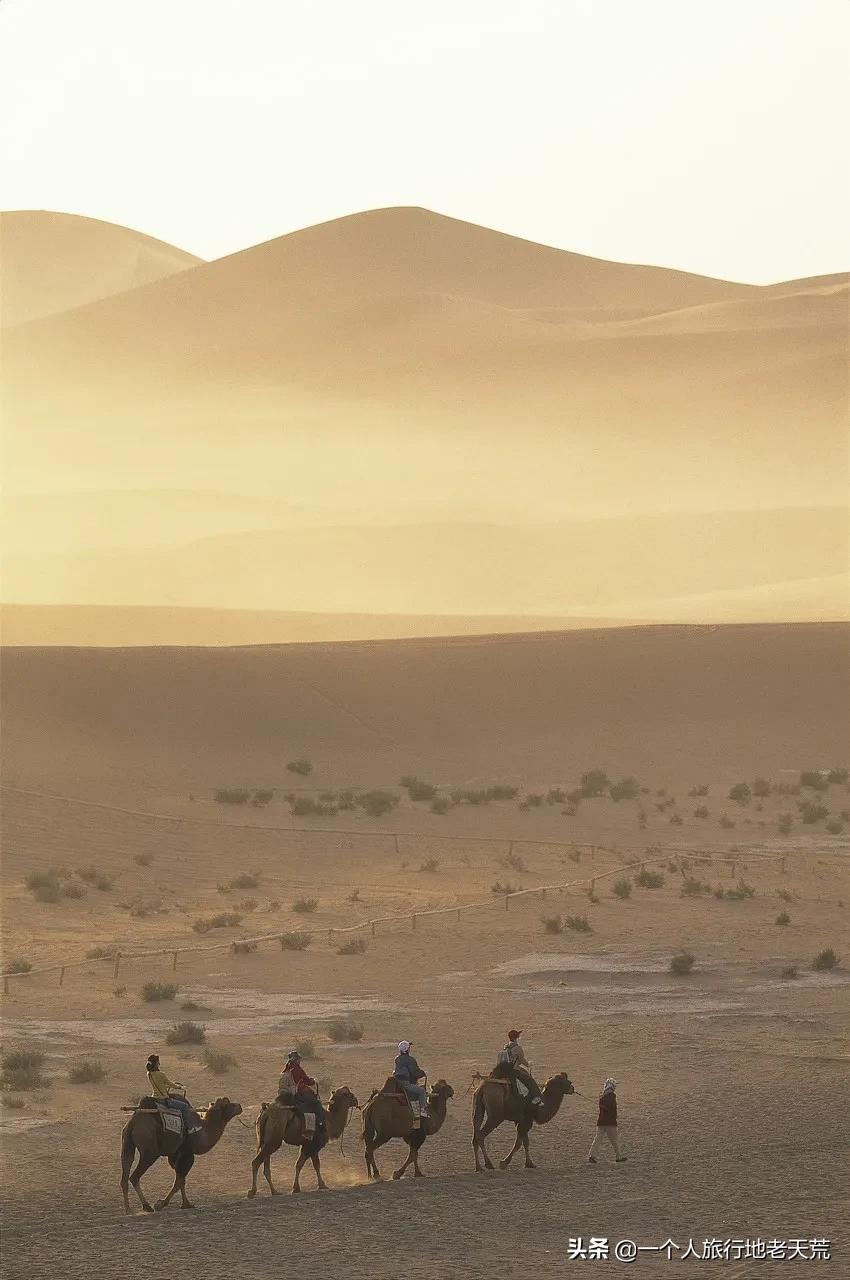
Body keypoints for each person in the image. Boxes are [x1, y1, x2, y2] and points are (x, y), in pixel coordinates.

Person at [145, 1053, 202, 1133]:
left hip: (155, 1098)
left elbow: (160, 1085)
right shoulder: (161, 1074)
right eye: (158, 1062)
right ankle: (190, 1128)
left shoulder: (149, 1074)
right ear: (156, 1063)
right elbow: (169, 1083)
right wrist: (180, 1087)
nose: (159, 1063)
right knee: (185, 1106)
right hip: (163, 1099)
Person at [279, 1050, 327, 1136]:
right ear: (296, 1060)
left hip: (288, 1094)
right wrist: (313, 1081)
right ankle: (320, 1124)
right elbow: (307, 1081)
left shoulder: (287, 1070)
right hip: (297, 1093)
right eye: (298, 1059)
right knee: (316, 1102)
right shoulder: (297, 1069)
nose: (299, 1061)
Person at [494, 1029, 543, 1106]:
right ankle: (536, 1098)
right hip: (514, 1070)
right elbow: (522, 1060)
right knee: (530, 1081)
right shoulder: (518, 1048)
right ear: (515, 1038)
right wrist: (528, 1064)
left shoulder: (506, 1047)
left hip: (504, 1071)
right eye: (518, 1037)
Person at [588, 1077, 626, 1163]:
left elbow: (604, 1107)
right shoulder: (612, 1095)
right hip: (610, 1122)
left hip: (601, 1121)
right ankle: (618, 1156)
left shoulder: (602, 1095)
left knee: (597, 1139)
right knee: (615, 1141)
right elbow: (612, 1107)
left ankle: (592, 1155)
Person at [393, 1040, 429, 1117]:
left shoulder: (397, 1059)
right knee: (422, 1091)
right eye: (409, 1048)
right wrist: (423, 1073)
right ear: (407, 1050)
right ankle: (423, 1110)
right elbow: (415, 1072)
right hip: (405, 1084)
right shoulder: (410, 1060)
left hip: (397, 1082)